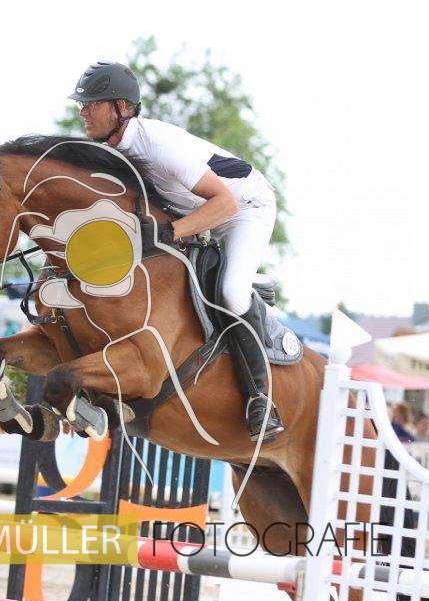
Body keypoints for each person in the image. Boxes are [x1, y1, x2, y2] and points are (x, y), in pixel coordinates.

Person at [69, 61, 282, 442]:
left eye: (92, 103)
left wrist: (172, 232)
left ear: (120, 107)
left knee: (232, 291)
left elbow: (224, 203)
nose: (83, 111)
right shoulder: (112, 152)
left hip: (244, 208)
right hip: (197, 212)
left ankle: (261, 400)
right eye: (82, 104)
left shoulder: (158, 143)